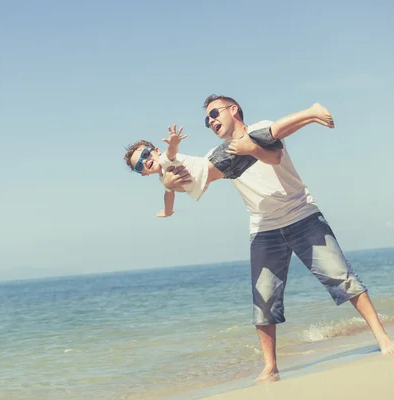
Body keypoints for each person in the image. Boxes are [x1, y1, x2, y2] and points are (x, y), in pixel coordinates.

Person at [162, 94, 394, 382]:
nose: (210, 121)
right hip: (263, 229)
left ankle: (383, 337)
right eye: (206, 119)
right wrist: (170, 183)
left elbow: (275, 156)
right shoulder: (219, 153)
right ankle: (270, 366)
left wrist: (254, 145)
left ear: (233, 110)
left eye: (214, 113)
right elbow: (199, 178)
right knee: (264, 300)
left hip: (302, 216)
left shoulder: (263, 127)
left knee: (342, 277)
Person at [124, 103, 334, 218]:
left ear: (154, 150)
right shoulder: (165, 180)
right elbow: (168, 195)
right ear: (142, 173)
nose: (146, 161)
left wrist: (174, 143)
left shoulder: (165, 160)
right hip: (229, 171)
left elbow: (171, 154)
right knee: (270, 138)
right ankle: (311, 117)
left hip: (221, 160)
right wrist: (167, 213)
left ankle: (310, 112)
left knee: (269, 132)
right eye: (140, 165)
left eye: (145, 154)